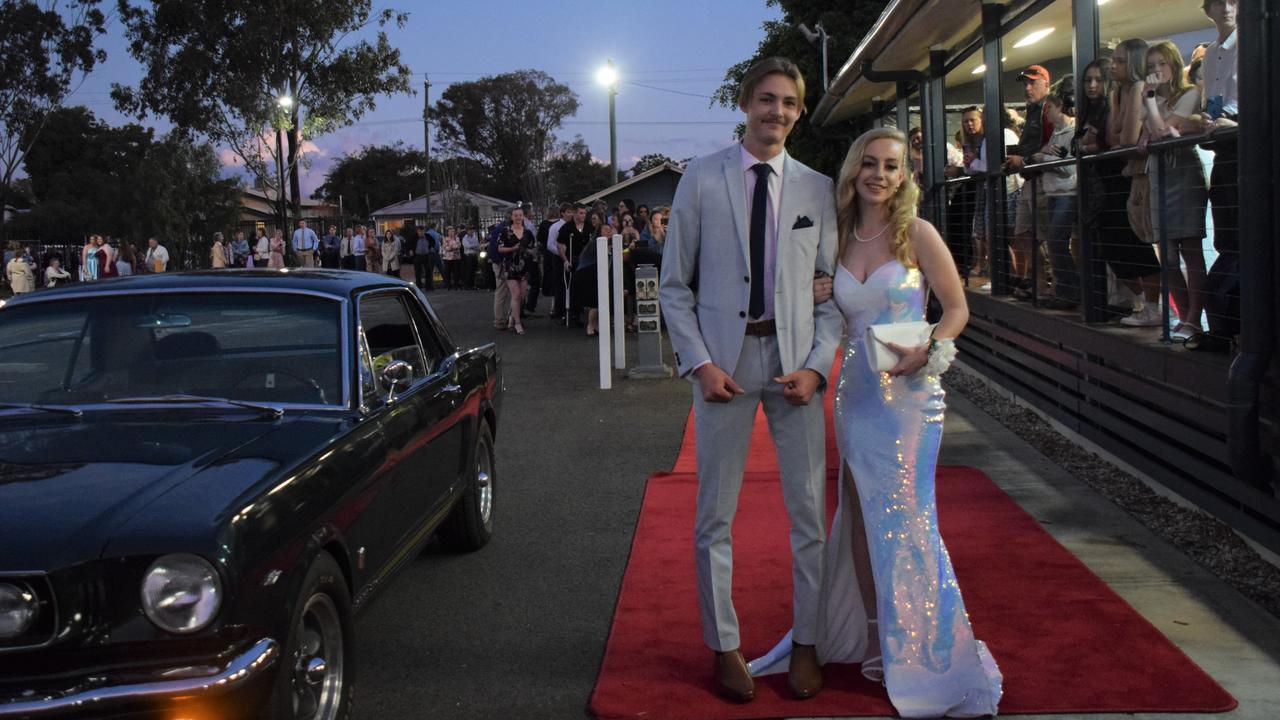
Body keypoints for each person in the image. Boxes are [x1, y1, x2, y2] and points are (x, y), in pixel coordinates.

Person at [751, 126, 1003, 718]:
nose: (880, 175)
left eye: (892, 166)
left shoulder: (917, 234)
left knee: (909, 519)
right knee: (861, 518)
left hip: (912, 400)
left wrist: (933, 348)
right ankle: (874, 635)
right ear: (853, 170)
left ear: (904, 175)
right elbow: (828, 314)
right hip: (856, 395)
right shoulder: (837, 236)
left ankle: (930, 651)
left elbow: (957, 307)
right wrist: (817, 290)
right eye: (870, 164)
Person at [659, 56, 842, 703]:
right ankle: (724, 646)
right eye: (768, 100)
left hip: (795, 369)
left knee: (809, 517)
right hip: (724, 371)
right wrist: (701, 363)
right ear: (745, 103)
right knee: (715, 516)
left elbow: (832, 293)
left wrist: (819, 367)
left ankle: (809, 642)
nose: (779, 113)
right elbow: (673, 287)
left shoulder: (818, 189)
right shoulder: (700, 180)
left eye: (790, 103)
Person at [1075, 57, 1163, 318]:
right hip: (1099, 187)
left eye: (1097, 80)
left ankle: (1152, 308)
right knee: (1110, 249)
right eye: (1087, 80)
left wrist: (1095, 143)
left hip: (1121, 181)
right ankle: (1142, 304)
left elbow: (1118, 138)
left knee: (1135, 246)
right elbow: (1084, 142)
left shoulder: (1125, 94)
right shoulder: (1094, 107)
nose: (1092, 86)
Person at [1141, 40, 1208, 339]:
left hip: (1182, 173)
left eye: (1161, 64)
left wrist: (1151, 102)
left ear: (1174, 65)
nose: (1156, 70)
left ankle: (1195, 317)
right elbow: (1147, 135)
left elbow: (1158, 130)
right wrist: (1152, 113)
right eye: (1151, 65)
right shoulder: (1153, 100)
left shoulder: (1190, 93)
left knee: (1190, 248)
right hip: (1158, 173)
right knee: (1165, 253)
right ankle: (1183, 316)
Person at [1194, 0, 1239, 347]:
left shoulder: (1257, 41)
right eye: (1219, 1)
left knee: (1245, 242)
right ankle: (1227, 330)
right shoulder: (1210, 54)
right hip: (1224, 148)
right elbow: (1213, 100)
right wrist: (1210, 122)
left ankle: (1233, 330)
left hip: (1248, 144)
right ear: (1207, 8)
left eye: (1233, 0)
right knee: (1227, 239)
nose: (1226, 7)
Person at [1004, 65, 1054, 300]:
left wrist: (1023, 159)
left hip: (1044, 179)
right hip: (1029, 179)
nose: (1028, 87)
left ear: (1046, 83)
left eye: (1032, 82)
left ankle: (1050, 285)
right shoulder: (1034, 110)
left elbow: (1053, 145)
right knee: (1024, 232)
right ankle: (1039, 284)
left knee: (1044, 234)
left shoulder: (1048, 109)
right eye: (1025, 83)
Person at [1032, 84, 1080, 308]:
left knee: (1056, 243)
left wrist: (1043, 158)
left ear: (1060, 107)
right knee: (1055, 244)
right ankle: (1066, 290)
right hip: (1054, 193)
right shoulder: (1055, 135)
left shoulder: (1070, 133)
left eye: (1049, 108)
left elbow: (1068, 168)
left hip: (1066, 193)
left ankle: (1070, 291)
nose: (1046, 113)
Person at [498, 207, 535, 334]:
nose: (518, 217)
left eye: (520, 215)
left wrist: (529, 252)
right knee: (516, 294)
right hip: (510, 266)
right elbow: (500, 249)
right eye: (516, 215)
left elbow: (533, 248)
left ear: (523, 216)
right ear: (512, 217)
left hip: (524, 266)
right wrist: (512, 248)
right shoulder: (506, 232)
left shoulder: (528, 232)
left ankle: (512, 315)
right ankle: (517, 323)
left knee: (522, 296)